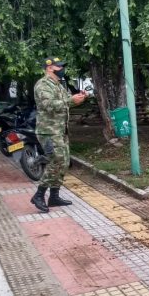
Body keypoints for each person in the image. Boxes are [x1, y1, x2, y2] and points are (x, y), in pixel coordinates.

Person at [30, 57, 86, 213]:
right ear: (49, 68)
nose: (62, 69)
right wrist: (70, 101)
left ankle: (54, 196)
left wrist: (77, 99)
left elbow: (65, 102)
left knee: (64, 161)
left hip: (61, 130)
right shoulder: (42, 85)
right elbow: (47, 105)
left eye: (62, 66)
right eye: (58, 66)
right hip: (49, 131)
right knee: (56, 160)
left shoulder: (59, 85)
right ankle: (39, 195)